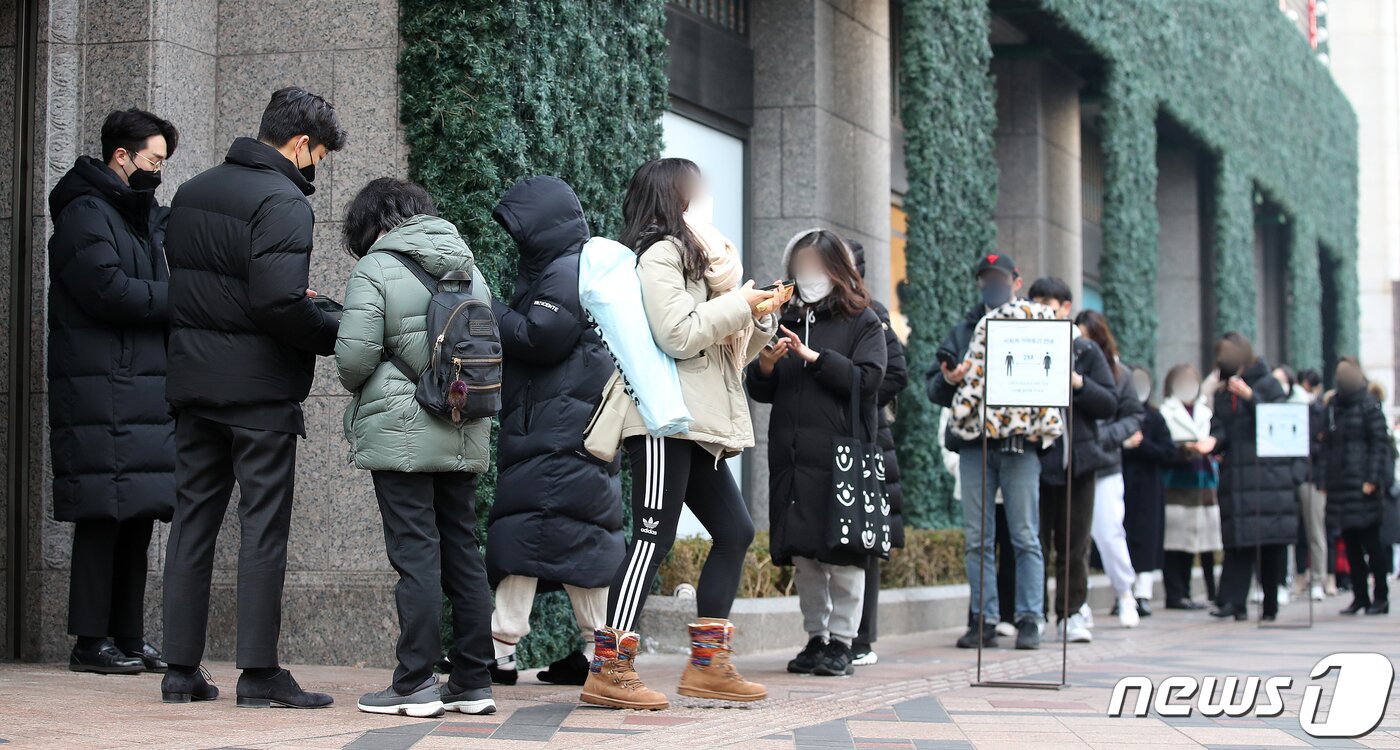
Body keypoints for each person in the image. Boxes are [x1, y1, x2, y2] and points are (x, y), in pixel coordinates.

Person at [160, 87, 346, 706]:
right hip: (260, 394)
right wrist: (332, 330)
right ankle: (259, 673)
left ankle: (180, 670)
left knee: (192, 524)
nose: (316, 168)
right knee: (262, 528)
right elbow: (276, 303)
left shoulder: (192, 191)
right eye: (319, 156)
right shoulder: (283, 200)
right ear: (300, 144)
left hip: (194, 385)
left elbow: (205, 291)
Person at [579, 158, 774, 711]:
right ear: (674, 195)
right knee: (652, 536)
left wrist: (757, 319)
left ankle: (708, 666)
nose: (706, 197)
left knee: (734, 531)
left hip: (695, 421)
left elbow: (719, 357)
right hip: (663, 419)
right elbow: (678, 335)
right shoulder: (662, 253)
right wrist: (738, 305)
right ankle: (609, 668)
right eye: (697, 187)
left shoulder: (701, 261)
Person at [333, 179, 497, 717]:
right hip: (464, 423)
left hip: (401, 426)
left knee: (416, 552)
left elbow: (354, 361)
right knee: (462, 551)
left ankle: (415, 683)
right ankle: (472, 682)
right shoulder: (470, 270)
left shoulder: (377, 268)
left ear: (373, 223)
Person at [47, 108, 179, 675]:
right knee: (104, 513)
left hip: (139, 383)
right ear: (120, 155)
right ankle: (89, 640)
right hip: (100, 384)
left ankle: (128, 635)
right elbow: (107, 290)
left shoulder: (135, 214)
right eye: (153, 160)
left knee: (139, 509)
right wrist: (178, 300)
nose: (157, 172)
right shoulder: (85, 212)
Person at [485, 176, 623, 687]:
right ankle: (595, 650)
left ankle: (503, 651)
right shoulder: (568, 266)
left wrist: (488, 306)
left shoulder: (567, 271)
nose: (516, 241)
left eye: (520, 230)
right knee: (569, 538)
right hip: (563, 426)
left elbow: (540, 337)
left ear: (541, 226)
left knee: (535, 533)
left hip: (560, 430)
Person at [750, 229, 885, 678]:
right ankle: (815, 637)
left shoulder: (862, 320)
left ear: (837, 269)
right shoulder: (783, 316)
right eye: (800, 266)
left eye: (816, 265)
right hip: (791, 456)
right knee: (805, 555)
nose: (807, 274)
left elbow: (869, 381)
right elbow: (761, 388)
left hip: (841, 459)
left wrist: (814, 357)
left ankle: (844, 641)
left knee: (842, 555)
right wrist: (766, 365)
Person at [928, 253, 1061, 651]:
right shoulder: (965, 328)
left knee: (1025, 536)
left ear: (1017, 281)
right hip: (974, 445)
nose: (992, 285)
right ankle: (982, 619)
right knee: (978, 539)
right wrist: (951, 379)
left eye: (999, 278)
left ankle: (1029, 618)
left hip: (1021, 444)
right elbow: (935, 387)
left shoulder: (1036, 324)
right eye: (986, 279)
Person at [1027, 278, 1117, 643]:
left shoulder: (1085, 350)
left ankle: (1071, 612)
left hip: (1079, 461)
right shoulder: (1024, 346)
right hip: (1035, 461)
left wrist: (1079, 384)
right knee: (1034, 543)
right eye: (1035, 304)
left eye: (1048, 305)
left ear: (1066, 308)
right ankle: (1032, 614)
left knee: (1075, 543)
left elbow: (1109, 403)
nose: (1041, 311)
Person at [845, 239, 908, 667]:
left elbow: (896, 373)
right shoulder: (805, 313)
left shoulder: (873, 313)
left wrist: (857, 399)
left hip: (868, 437)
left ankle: (861, 638)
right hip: (828, 439)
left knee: (864, 534)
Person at [1207, 332, 1298, 621]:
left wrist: (1250, 397)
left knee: (1269, 542)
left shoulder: (1268, 384)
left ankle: (1270, 603)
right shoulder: (1222, 392)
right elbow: (1220, 428)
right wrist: (1212, 442)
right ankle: (1233, 602)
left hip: (1268, 475)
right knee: (1237, 540)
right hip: (1235, 475)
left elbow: (1279, 423)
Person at [1073, 310, 1144, 626]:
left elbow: (1133, 415)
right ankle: (1076, 603)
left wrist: (1106, 438)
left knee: (1109, 532)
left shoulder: (1120, 374)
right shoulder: (1066, 367)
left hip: (1104, 465)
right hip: (1071, 464)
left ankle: (1125, 593)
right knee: (1074, 539)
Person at [1321, 358, 1392, 615]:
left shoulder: (1368, 404)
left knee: (1372, 544)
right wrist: (1325, 480)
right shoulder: (1334, 406)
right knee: (1350, 545)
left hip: (1363, 486)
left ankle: (1381, 596)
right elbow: (1327, 446)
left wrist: (1372, 479)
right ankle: (1360, 596)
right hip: (1341, 486)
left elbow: (1379, 444)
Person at [1158, 365, 1222, 609]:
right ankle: (1176, 594)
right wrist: (1185, 450)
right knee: (1175, 542)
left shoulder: (1205, 412)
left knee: (1198, 541)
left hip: (1204, 483)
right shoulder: (1166, 412)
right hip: (1176, 483)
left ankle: (1192, 593)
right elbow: (1164, 449)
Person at [1122, 366, 1175, 613]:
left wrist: (1143, 445)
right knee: (1122, 538)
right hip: (1123, 484)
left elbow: (1168, 452)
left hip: (1150, 489)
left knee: (1147, 541)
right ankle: (1123, 593)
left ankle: (1143, 593)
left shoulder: (1155, 418)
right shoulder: (1119, 414)